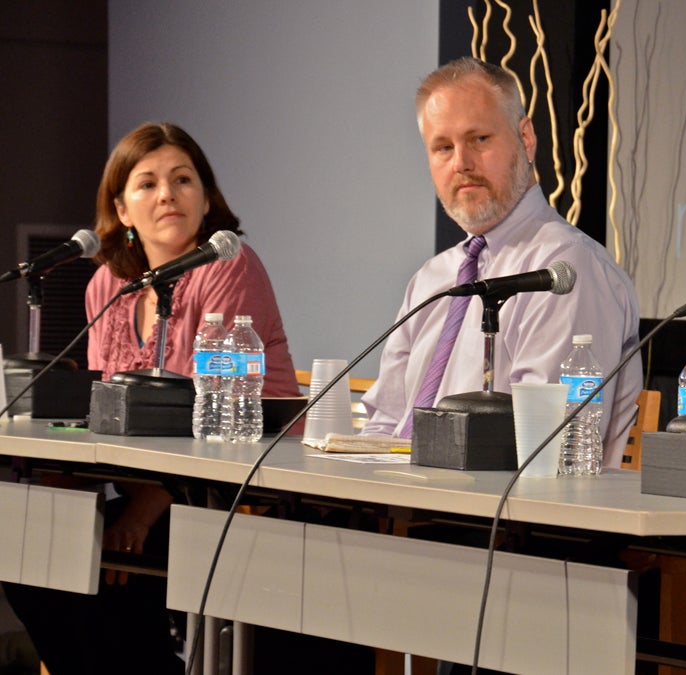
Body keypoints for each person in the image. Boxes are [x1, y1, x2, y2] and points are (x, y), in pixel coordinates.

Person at [3, 122, 302, 675]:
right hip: (149, 487)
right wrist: (58, 492)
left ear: (206, 198)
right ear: (121, 209)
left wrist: (138, 514)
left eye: (183, 179)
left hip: (234, 490)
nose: (167, 194)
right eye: (147, 183)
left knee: (106, 565)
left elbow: (210, 418)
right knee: (26, 547)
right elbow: (99, 409)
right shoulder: (106, 285)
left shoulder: (226, 264)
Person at [362, 57, 642, 467]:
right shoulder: (431, 279)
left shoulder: (564, 270)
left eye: (479, 139)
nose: (461, 163)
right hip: (408, 506)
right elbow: (386, 423)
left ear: (525, 138)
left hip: (507, 519)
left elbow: (546, 445)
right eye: (443, 147)